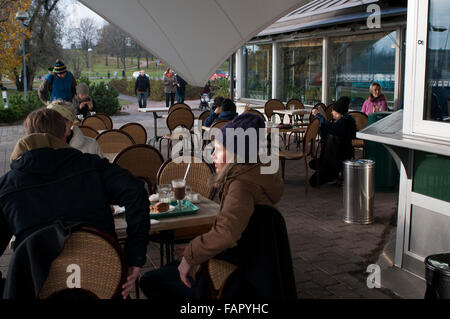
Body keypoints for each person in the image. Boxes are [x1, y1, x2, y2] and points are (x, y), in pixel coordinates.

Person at [140, 113, 296, 299]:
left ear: (235, 154)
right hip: (253, 269)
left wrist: (191, 255)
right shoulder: (257, 174)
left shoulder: (241, 186)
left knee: (150, 280)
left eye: (217, 149)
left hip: (229, 279)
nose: (212, 155)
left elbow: (226, 234)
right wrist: (196, 248)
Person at [0, 108, 150, 299]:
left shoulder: (7, 187)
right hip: (106, 283)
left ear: (28, 138)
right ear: (65, 135)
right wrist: (134, 257)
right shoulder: (92, 166)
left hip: (38, 287)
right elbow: (136, 191)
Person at [309, 96, 356, 187]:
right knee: (313, 166)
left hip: (336, 161)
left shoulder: (344, 123)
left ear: (339, 112)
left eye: (333, 110)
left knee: (313, 182)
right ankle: (329, 170)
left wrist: (319, 115)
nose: (331, 112)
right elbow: (325, 134)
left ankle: (334, 173)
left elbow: (328, 127)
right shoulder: (341, 121)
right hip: (334, 157)